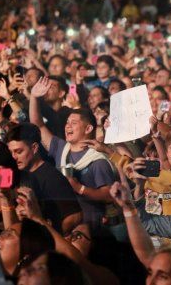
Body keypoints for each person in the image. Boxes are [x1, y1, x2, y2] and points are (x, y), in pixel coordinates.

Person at [30, 77, 118, 229]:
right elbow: (37, 124)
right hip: (63, 224)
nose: (68, 126)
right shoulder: (60, 148)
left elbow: (109, 194)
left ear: (88, 129)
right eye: (67, 123)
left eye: (74, 123)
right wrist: (34, 97)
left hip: (90, 227)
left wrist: (80, 189)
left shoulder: (98, 160)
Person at [5, 123, 82, 233]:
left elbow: (75, 216)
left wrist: (50, 239)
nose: (14, 157)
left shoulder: (52, 177)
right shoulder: (20, 174)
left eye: (19, 151)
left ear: (34, 148)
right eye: (11, 152)